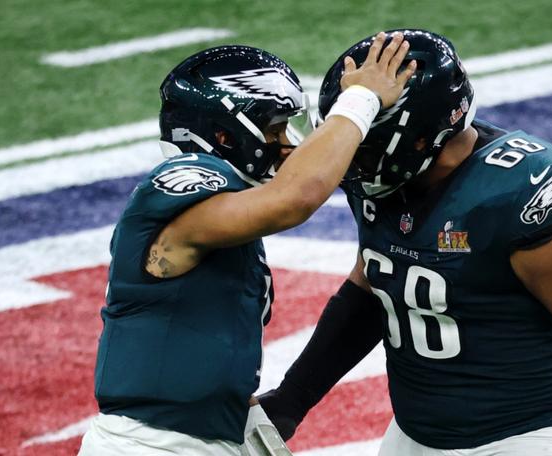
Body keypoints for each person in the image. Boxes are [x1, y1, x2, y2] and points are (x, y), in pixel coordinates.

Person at [259, 29, 552, 456]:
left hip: (523, 437)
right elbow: (374, 287)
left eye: (365, 140)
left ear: (421, 135)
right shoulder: (386, 181)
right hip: (414, 433)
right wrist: (292, 399)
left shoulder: (517, 191)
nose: (350, 157)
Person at [78, 33, 416, 456]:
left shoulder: (228, 215)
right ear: (225, 134)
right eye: (274, 129)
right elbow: (293, 200)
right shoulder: (182, 180)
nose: (287, 144)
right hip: (154, 446)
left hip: (199, 438)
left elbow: (201, 353)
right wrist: (361, 101)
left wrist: (251, 426)